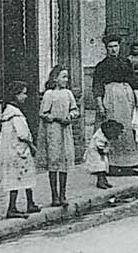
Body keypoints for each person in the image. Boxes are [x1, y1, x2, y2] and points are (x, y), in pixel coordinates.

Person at [92, 36, 138, 176]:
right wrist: (100, 104)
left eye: (115, 46)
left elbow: (134, 82)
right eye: (110, 47)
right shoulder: (101, 66)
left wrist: (137, 101)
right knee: (111, 128)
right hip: (110, 97)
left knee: (125, 129)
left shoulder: (126, 63)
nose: (113, 49)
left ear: (119, 47)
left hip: (126, 99)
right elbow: (97, 86)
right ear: (106, 48)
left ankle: (126, 164)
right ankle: (109, 164)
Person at [0, 81, 40, 219]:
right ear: (15, 95)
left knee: (24, 177)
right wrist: (32, 146)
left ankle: (30, 203)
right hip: (18, 152)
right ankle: (12, 207)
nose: (25, 97)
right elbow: (23, 134)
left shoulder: (7, 112)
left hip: (11, 150)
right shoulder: (15, 115)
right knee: (18, 178)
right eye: (23, 94)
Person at [37, 66, 79, 207]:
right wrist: (56, 117)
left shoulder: (68, 93)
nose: (66, 80)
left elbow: (75, 109)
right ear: (55, 79)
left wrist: (70, 116)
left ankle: (63, 194)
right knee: (54, 161)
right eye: (63, 77)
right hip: (53, 130)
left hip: (65, 130)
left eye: (67, 77)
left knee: (64, 162)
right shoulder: (49, 94)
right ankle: (54, 195)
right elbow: (43, 113)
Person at [84, 119, 124, 190]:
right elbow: (100, 147)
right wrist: (105, 151)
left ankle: (104, 181)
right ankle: (100, 182)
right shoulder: (100, 137)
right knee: (100, 168)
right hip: (95, 153)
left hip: (100, 152)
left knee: (104, 166)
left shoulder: (104, 134)